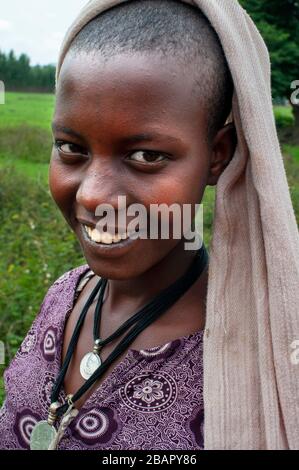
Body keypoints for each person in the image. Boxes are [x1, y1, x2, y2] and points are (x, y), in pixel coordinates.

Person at [1, 0, 298, 451]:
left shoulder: (264, 362)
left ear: (218, 154)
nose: (93, 195)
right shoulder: (64, 295)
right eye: (70, 147)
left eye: (146, 156)